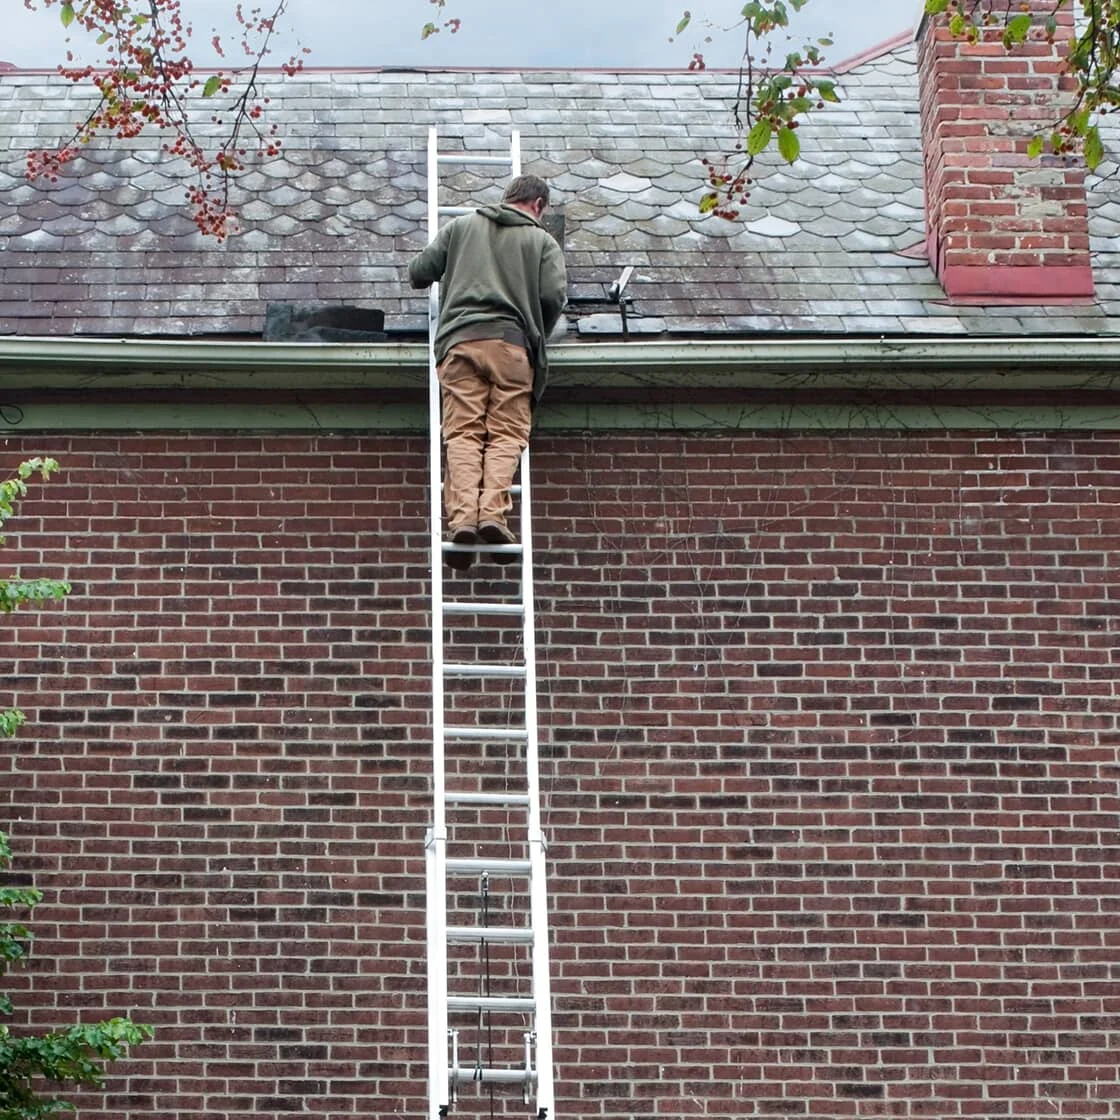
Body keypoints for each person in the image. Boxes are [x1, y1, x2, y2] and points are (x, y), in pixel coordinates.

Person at [409, 174, 567, 571]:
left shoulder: (461, 226)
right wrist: (538, 333)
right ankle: (493, 516)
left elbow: (418, 272)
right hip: (513, 346)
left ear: (507, 198)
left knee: (462, 433)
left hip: (460, 345)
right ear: (538, 205)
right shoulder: (542, 241)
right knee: (506, 435)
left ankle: (462, 521)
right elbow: (552, 296)